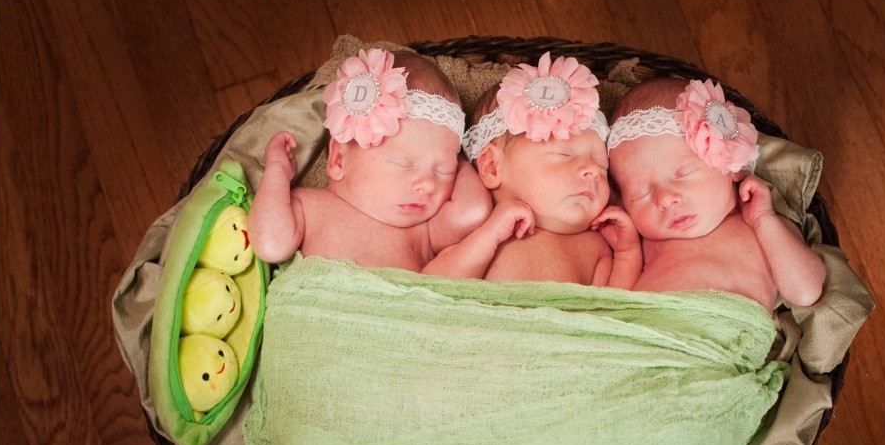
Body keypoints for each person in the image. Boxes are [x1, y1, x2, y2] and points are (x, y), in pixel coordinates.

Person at [249, 48, 491, 272]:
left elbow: (473, 212)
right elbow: (271, 245)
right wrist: (277, 171)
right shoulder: (310, 205)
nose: (427, 184)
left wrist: (454, 154)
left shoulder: (424, 231)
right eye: (404, 164)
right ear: (338, 159)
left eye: (443, 171)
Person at [424, 53, 641, 288]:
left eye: (602, 166)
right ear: (491, 167)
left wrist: (628, 251)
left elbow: (612, 309)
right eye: (565, 155)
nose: (592, 170)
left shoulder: (595, 245)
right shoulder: (479, 224)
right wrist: (492, 234)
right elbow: (433, 286)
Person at [606, 77, 825, 310]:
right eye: (641, 194)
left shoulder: (758, 226)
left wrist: (765, 219)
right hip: (645, 333)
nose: (666, 199)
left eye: (683, 174)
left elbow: (806, 293)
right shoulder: (641, 242)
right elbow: (613, 298)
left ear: (731, 168)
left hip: (722, 337)